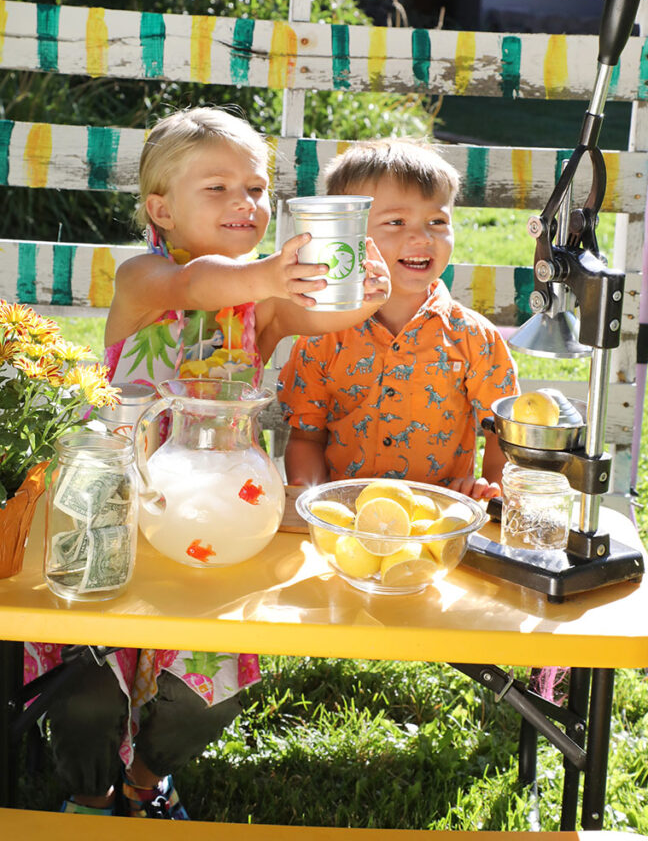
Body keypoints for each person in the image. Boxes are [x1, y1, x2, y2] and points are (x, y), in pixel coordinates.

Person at [25, 107, 390, 819]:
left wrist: (363, 295)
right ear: (160, 208)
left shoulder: (262, 305)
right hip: (115, 515)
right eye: (216, 187)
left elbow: (318, 314)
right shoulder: (145, 278)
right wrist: (270, 272)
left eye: (255, 189)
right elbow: (201, 287)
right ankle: (91, 791)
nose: (244, 203)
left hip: (214, 521)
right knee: (90, 688)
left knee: (207, 686)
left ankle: (146, 780)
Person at [278, 138, 519, 497]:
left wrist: (491, 488)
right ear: (349, 232)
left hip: (438, 524)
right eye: (396, 221)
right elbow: (305, 438)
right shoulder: (321, 335)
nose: (421, 237)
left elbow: (503, 433)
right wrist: (316, 502)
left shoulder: (474, 338)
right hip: (345, 522)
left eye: (437, 221)